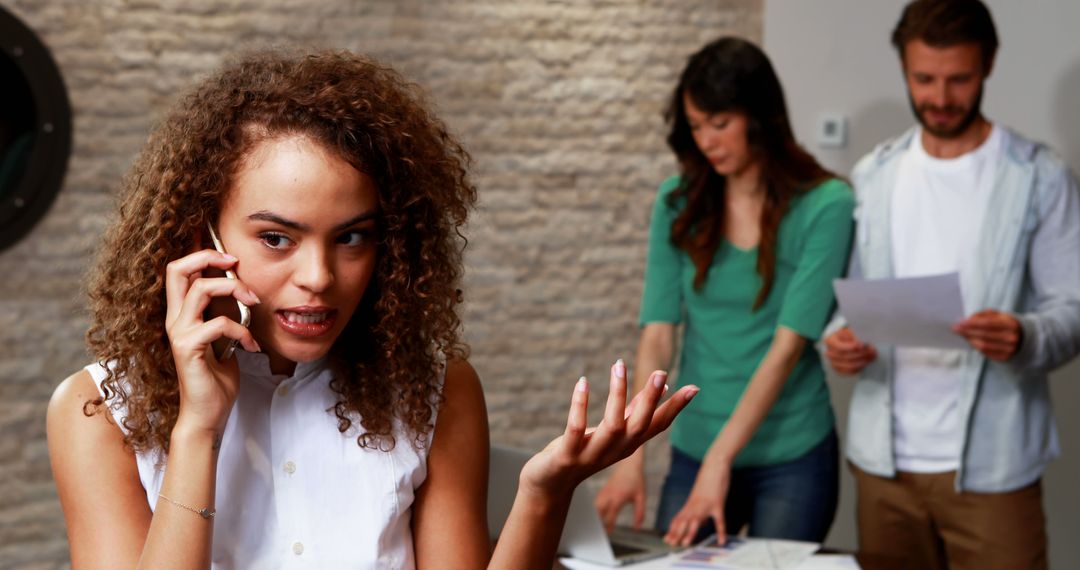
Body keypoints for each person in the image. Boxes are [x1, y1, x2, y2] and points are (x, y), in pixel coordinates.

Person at [45, 50, 700, 569]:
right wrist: (196, 431)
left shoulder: (434, 390)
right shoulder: (98, 414)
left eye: (352, 236)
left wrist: (545, 493)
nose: (320, 278)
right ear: (201, 239)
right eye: (277, 238)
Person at [822, 1, 1080, 568]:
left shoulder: (1039, 175)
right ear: (904, 70)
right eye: (924, 79)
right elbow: (853, 297)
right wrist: (841, 338)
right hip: (883, 465)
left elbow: (1072, 309)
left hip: (995, 466)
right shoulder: (875, 174)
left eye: (958, 79)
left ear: (988, 65)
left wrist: (1024, 334)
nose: (940, 98)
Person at [594, 36, 854, 547]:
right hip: (696, 443)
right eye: (695, 126)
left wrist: (722, 459)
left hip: (792, 453)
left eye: (720, 123)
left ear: (759, 116)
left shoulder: (826, 204)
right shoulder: (678, 201)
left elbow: (788, 347)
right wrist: (630, 455)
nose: (707, 140)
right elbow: (658, 336)